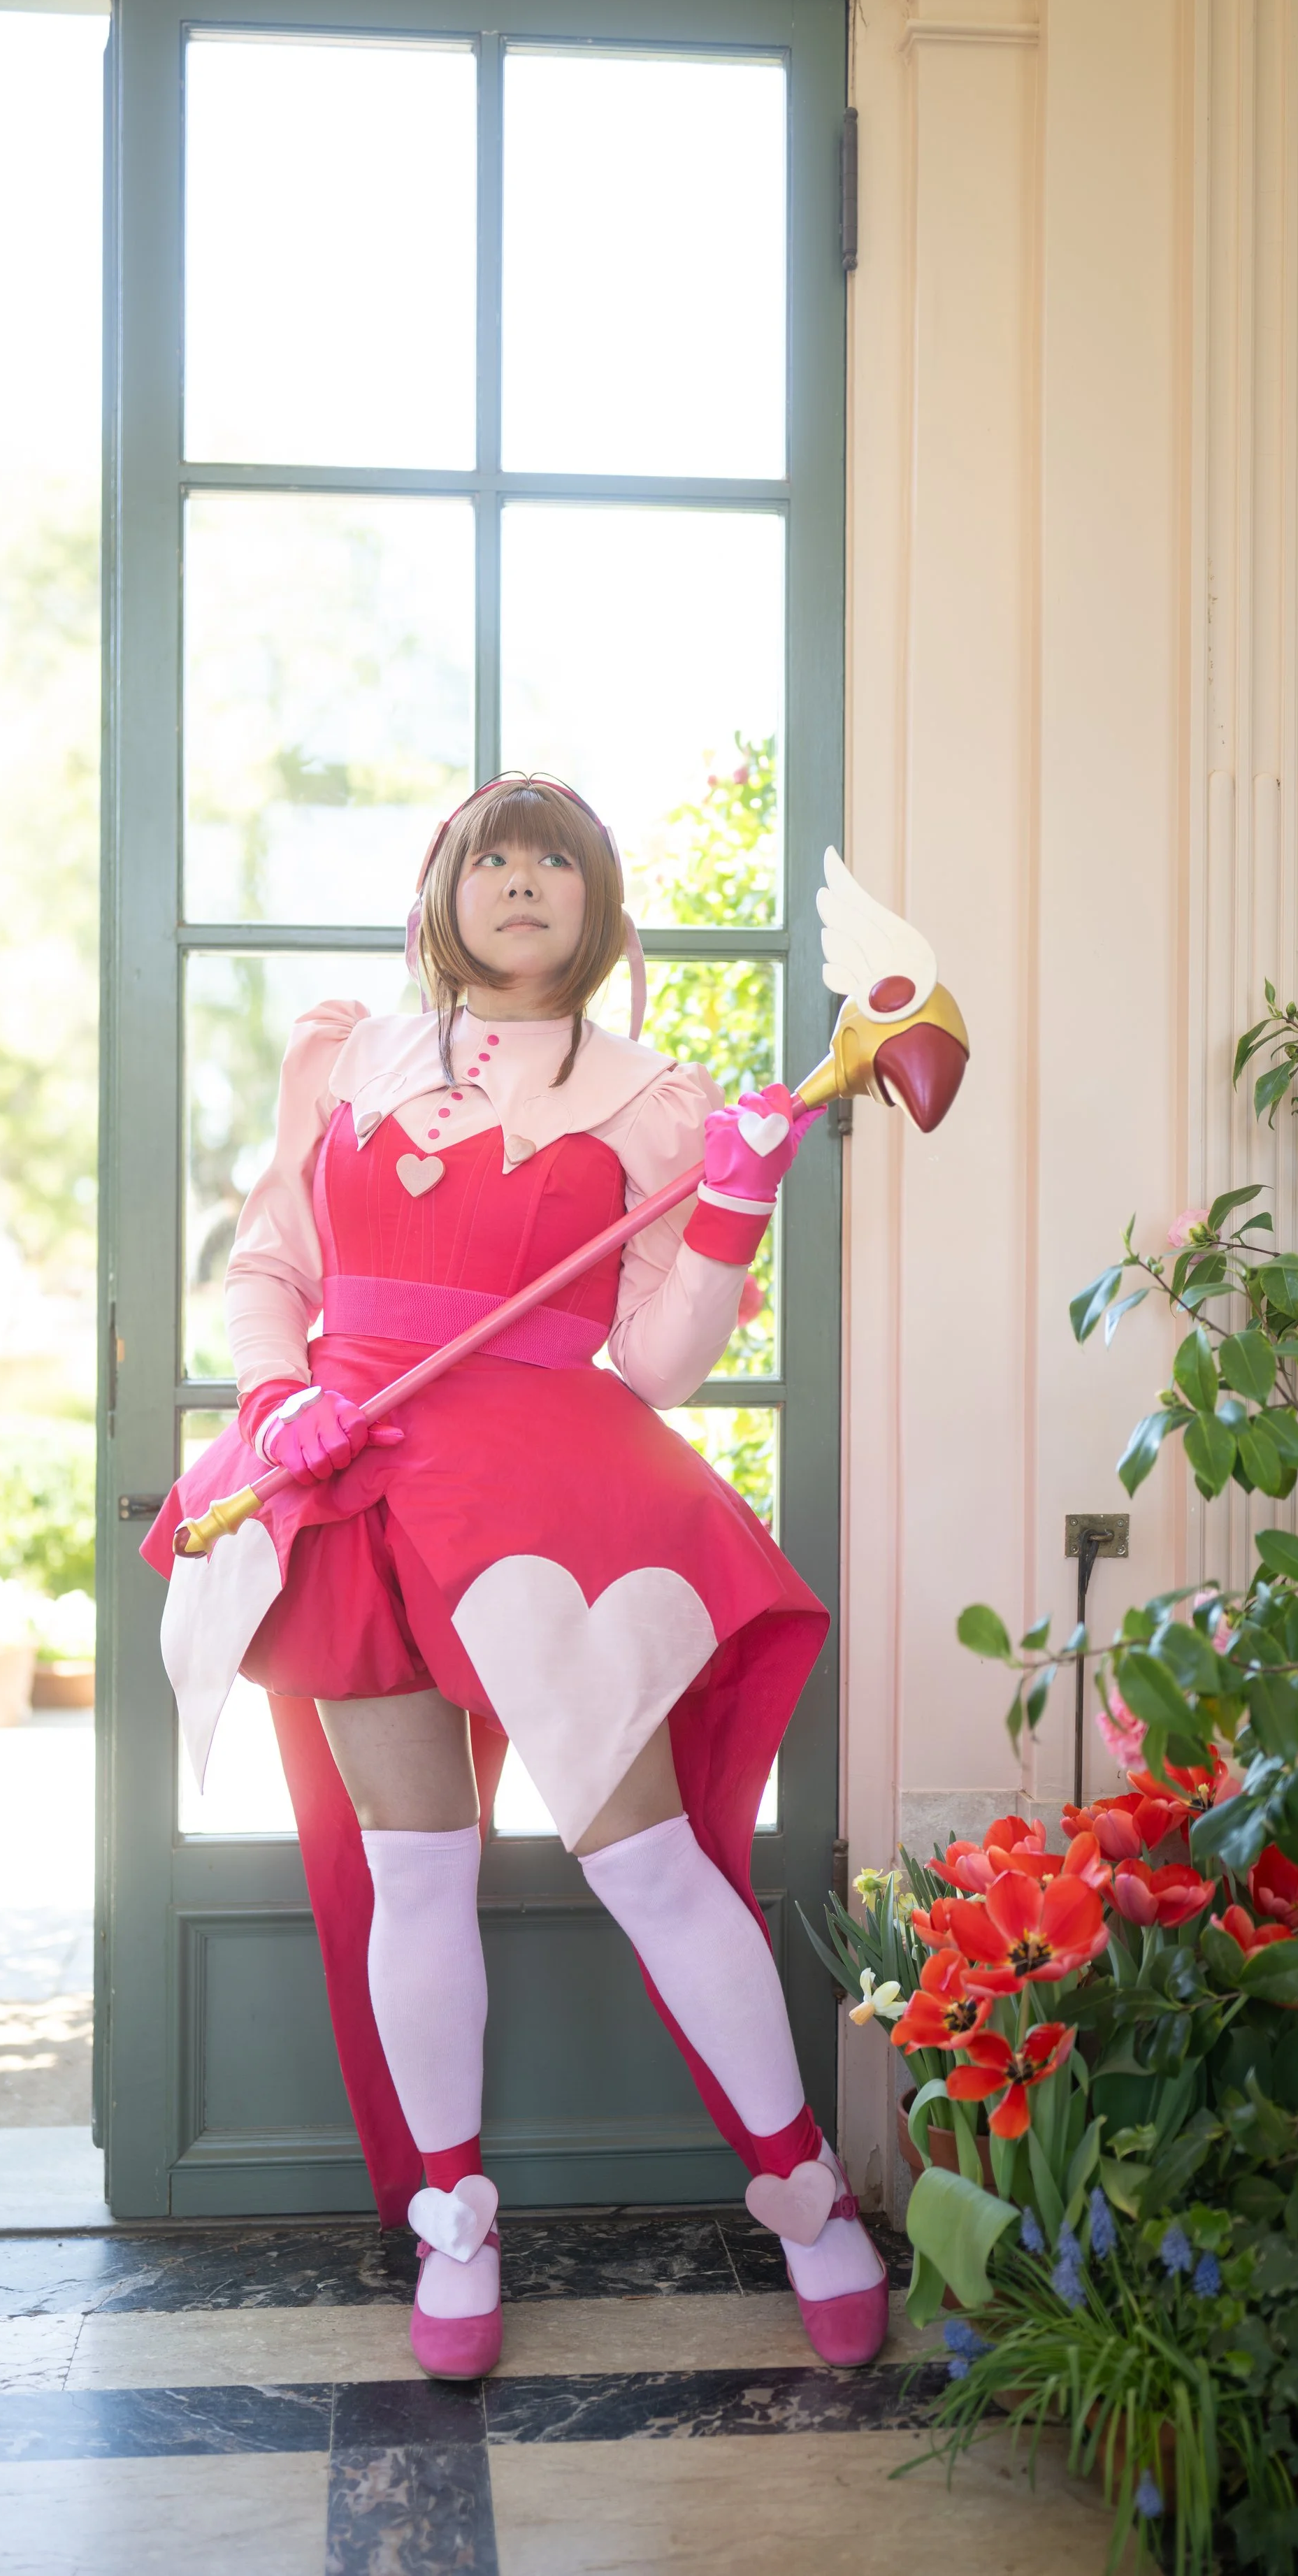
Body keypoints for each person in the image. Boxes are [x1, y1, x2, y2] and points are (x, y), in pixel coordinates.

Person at [143, 773, 887, 2380]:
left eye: (559, 859)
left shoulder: (651, 1100)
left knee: (653, 1865)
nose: (526, 881)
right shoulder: (343, 1057)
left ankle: (805, 2195)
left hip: (549, 1511)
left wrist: (734, 1210)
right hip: (348, 1487)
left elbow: (660, 1362)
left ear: (595, 903)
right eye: (497, 856)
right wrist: (278, 1402)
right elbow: (270, 1270)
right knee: (414, 1871)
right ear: (445, 892)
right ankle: (453, 2223)